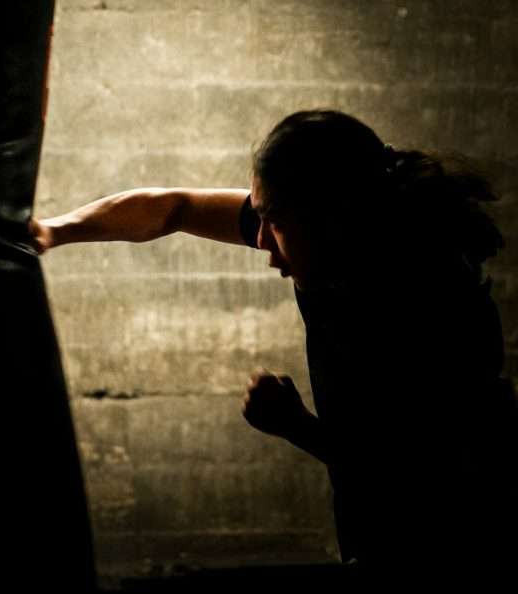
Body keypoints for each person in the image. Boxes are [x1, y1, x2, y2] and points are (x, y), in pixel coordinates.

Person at [29, 109, 518, 579]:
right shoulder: (332, 236)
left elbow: (423, 477)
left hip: (460, 548)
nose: (260, 241)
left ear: (333, 216)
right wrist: (56, 230)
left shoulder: (427, 301)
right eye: (258, 217)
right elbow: (171, 208)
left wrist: (296, 426)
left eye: (273, 222)